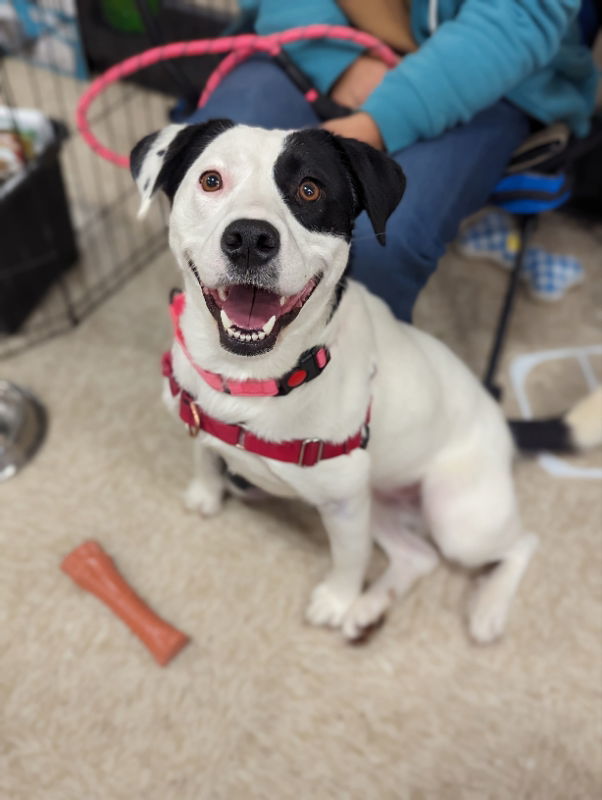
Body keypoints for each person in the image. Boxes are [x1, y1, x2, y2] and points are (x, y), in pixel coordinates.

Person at [186, 0, 597, 322]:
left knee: (380, 246)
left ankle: (353, 386)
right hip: (315, 33)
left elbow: (519, 18)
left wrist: (382, 120)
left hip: (499, 73)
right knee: (204, 171)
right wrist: (341, 64)